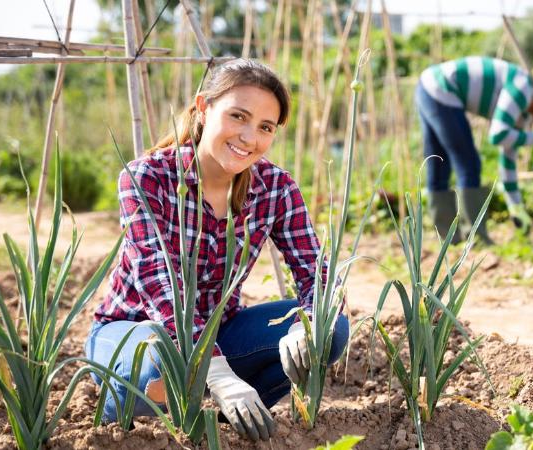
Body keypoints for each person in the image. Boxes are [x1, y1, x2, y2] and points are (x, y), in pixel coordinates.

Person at [85, 59, 348, 442]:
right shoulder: (147, 177)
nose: (248, 137)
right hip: (135, 333)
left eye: (265, 127)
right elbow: (161, 286)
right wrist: (217, 374)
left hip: (220, 331)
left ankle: (233, 424)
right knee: (159, 356)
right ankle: (123, 406)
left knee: (331, 329)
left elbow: (320, 277)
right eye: (238, 116)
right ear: (203, 108)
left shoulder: (275, 188)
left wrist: (306, 324)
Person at [416, 56, 533, 242]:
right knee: (467, 164)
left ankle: (448, 239)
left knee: (439, 163)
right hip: (441, 87)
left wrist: (515, 206)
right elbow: (498, 135)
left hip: (428, 86)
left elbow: (507, 159)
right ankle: (475, 238)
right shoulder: (523, 89)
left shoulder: (524, 115)